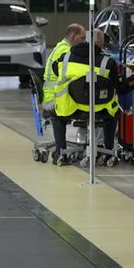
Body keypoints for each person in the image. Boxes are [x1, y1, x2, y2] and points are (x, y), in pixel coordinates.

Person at [49, 29, 134, 164]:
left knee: (56, 115)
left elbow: (56, 71)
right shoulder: (107, 63)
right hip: (100, 111)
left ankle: (61, 152)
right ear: (101, 43)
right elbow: (122, 89)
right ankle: (108, 152)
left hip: (71, 109)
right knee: (114, 113)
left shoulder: (65, 58)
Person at [41, 24, 86, 163]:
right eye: (82, 38)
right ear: (72, 37)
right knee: (61, 113)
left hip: (59, 93)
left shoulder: (63, 47)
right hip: (53, 97)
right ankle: (61, 152)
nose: (84, 41)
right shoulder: (65, 51)